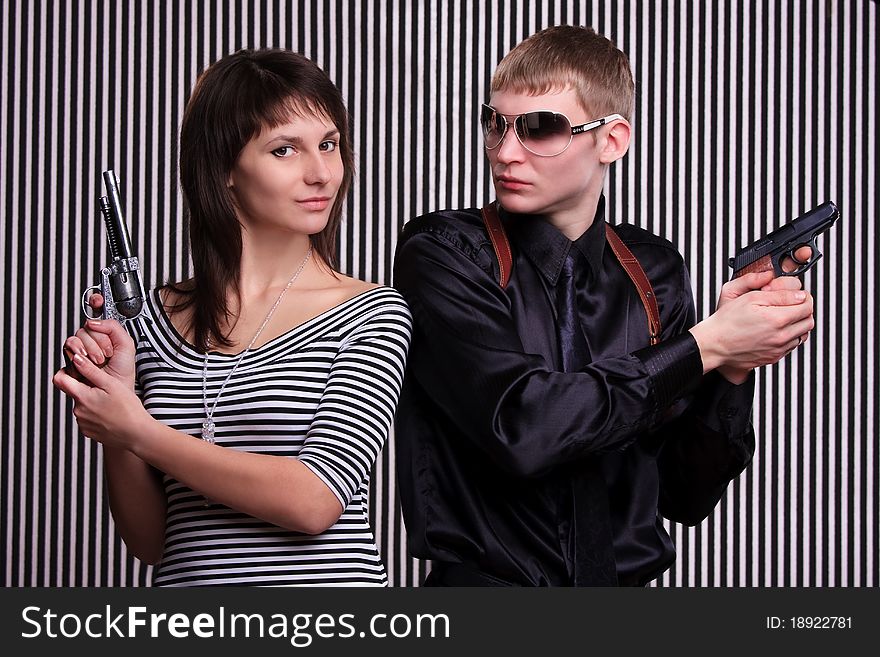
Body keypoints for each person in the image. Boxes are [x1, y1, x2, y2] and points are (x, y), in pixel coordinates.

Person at [393, 25, 814, 586]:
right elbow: (523, 426)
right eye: (496, 124)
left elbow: (681, 494)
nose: (506, 151)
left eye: (540, 128)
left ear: (612, 141)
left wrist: (733, 366)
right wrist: (706, 345)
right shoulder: (445, 254)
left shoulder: (654, 270)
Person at [53, 48, 412, 586]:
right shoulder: (149, 320)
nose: (322, 173)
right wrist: (118, 410)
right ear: (223, 169)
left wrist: (139, 430)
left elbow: (315, 501)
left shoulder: (371, 313)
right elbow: (151, 541)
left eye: (330, 144)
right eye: (286, 149)